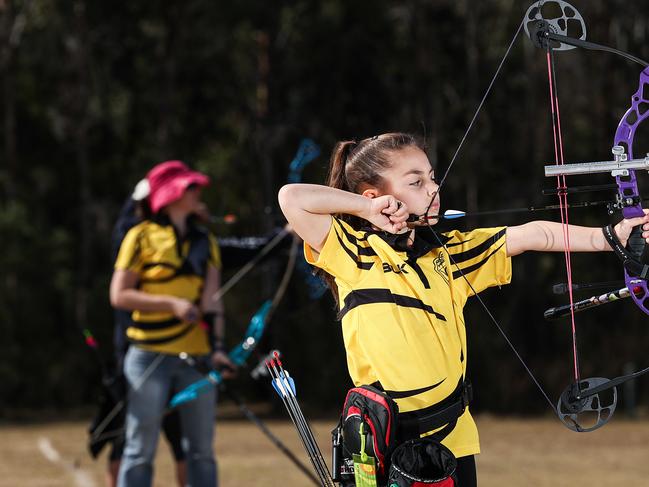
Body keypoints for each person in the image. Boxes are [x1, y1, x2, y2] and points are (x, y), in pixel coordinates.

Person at [277, 132, 649, 486]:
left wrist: (608, 238)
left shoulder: (450, 253)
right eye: (416, 182)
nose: (433, 188)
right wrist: (366, 208)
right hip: (384, 443)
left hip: (452, 440)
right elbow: (292, 197)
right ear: (377, 194)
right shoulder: (354, 253)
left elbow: (533, 234)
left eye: (432, 177)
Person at [110, 160, 234, 487]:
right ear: (171, 195)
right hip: (147, 356)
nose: (197, 192)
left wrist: (218, 349)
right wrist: (171, 304)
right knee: (139, 449)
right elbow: (119, 295)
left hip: (196, 358)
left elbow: (211, 299)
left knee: (202, 452)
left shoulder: (204, 240)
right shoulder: (140, 236)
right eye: (189, 187)